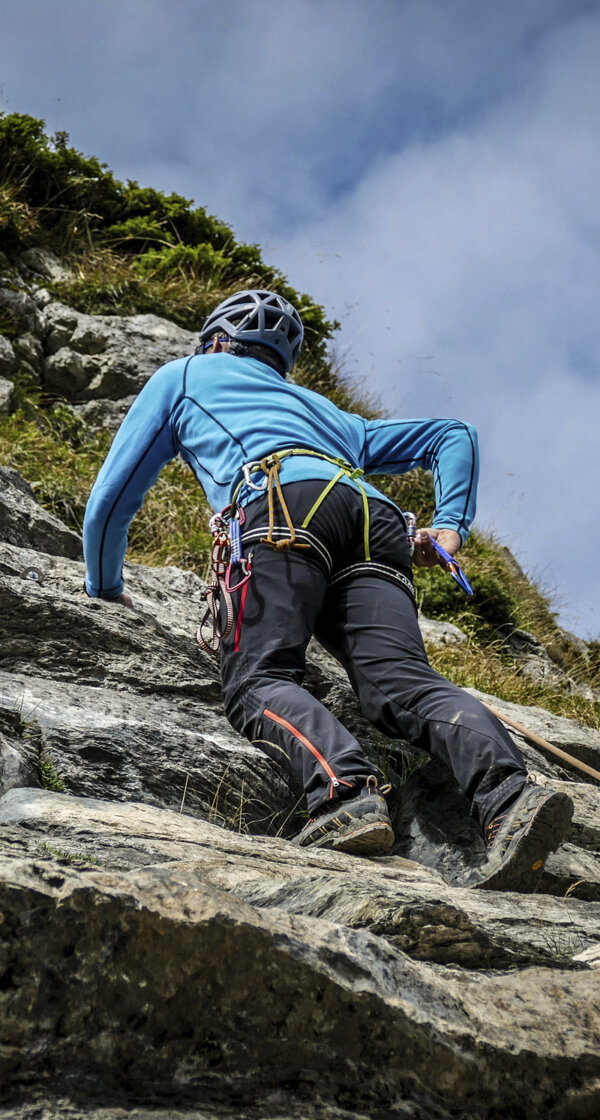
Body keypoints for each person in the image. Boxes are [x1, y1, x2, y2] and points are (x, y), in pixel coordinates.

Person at [83, 289, 573, 891]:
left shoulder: (185, 373)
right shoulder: (330, 414)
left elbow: (111, 502)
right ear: (281, 363)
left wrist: (103, 590)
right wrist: (449, 525)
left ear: (214, 340)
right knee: (400, 684)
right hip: (375, 517)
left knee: (259, 680)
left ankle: (346, 795)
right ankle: (508, 798)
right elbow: (452, 433)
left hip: (282, 508)